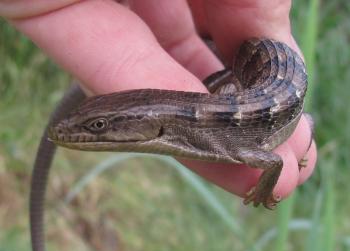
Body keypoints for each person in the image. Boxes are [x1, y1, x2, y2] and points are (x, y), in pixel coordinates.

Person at [1, 0, 316, 202]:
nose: (92, 130)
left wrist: (263, 192)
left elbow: (273, 161)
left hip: (266, 65)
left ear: (156, 127)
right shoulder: (214, 134)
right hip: (254, 70)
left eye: (99, 126)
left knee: (301, 137)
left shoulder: (233, 145)